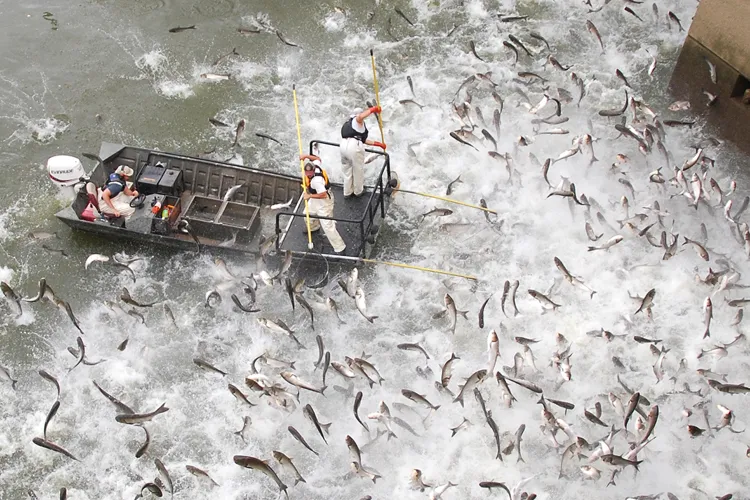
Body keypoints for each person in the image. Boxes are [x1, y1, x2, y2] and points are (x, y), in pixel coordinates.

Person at [301, 154, 347, 254]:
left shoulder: (317, 181)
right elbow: (318, 159)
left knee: (328, 227)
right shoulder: (315, 165)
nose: (307, 174)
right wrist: (305, 156)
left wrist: (309, 196)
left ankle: (340, 247)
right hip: (315, 199)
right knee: (307, 214)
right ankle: (314, 227)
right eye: (306, 172)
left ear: (313, 171)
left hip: (324, 202)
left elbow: (323, 195)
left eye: (309, 172)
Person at [339, 106, 386, 198]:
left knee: (347, 169)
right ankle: (358, 191)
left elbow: (364, 140)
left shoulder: (348, 124)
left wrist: (378, 144)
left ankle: (347, 192)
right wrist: (373, 109)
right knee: (358, 169)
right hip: (354, 147)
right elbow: (360, 117)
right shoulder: (357, 121)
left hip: (343, 146)